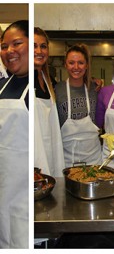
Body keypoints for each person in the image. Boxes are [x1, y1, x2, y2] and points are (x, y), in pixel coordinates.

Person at [0, 20, 28, 248]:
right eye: (4, 46)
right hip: (3, 188)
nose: (9, 51)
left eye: (17, 43)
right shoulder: (2, 85)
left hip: (25, 195)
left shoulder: (35, 87)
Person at [55, 43, 102, 167]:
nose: (76, 67)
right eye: (71, 63)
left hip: (94, 159)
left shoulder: (95, 89)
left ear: (86, 65)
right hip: (67, 161)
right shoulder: (56, 90)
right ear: (65, 65)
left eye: (80, 63)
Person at [34, 27, 65, 176]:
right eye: (33, 46)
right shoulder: (20, 79)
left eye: (43, 46)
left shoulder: (49, 80)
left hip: (51, 152)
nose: (39, 51)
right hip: (32, 156)